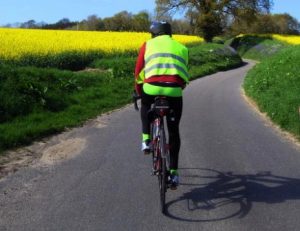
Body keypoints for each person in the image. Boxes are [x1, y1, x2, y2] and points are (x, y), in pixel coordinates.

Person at [134, 21, 189, 189]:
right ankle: (174, 173)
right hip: (174, 92)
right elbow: (183, 75)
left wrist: (138, 91)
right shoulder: (182, 48)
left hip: (150, 89)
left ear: (154, 33)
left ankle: (146, 140)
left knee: (145, 106)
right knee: (173, 131)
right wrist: (176, 88)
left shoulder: (147, 45)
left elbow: (138, 72)